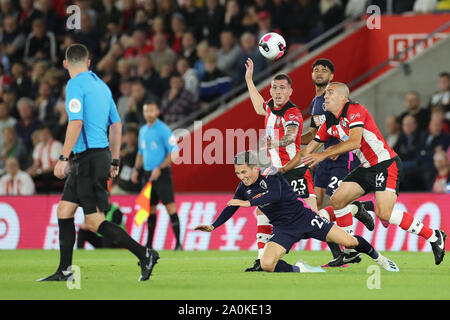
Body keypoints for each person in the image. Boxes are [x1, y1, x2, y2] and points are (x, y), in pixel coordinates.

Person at [281, 82, 447, 266]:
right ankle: (350, 251)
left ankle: (434, 235)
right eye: (326, 93)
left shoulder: (354, 109)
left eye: (330, 92)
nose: (326, 96)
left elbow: (354, 142)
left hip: (386, 164)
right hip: (367, 167)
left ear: (343, 98)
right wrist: (284, 169)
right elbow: (307, 151)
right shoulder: (329, 121)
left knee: (383, 213)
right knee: (337, 200)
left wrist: (324, 154)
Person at [38, 44, 159, 282]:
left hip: (89, 159)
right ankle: (64, 270)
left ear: (65, 64)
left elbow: (75, 123)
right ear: (89, 62)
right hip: (98, 155)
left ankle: (145, 253)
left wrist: (63, 157)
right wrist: (115, 158)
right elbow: (116, 125)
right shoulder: (102, 87)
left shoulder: (74, 85)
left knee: (94, 220)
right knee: (64, 210)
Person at [243, 59, 371, 271]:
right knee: (262, 212)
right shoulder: (270, 109)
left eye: (282, 88)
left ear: (290, 92)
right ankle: (260, 259)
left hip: (296, 172)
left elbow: (292, 134)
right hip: (277, 172)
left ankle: (353, 216)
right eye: (274, 87)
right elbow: (258, 106)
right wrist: (249, 79)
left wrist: (279, 141)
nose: (277, 91)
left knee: (314, 216)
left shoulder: (292, 113)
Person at [195, 151, 400, 273]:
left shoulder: (271, 175)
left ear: (255, 168)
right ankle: (301, 269)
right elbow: (232, 205)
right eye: (238, 173)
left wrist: (249, 203)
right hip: (284, 228)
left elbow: (274, 196)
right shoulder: (245, 188)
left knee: (350, 242)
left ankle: (380, 259)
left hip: (305, 218)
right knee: (267, 264)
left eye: (244, 171)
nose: (242, 177)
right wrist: (213, 226)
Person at [290, 58, 374, 265]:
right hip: (324, 159)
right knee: (317, 206)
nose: (319, 73)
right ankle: (339, 252)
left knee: (336, 200)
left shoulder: (335, 98)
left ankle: (356, 215)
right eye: (316, 70)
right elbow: (314, 134)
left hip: (341, 157)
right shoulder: (315, 102)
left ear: (332, 76)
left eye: (324, 70)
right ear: (311, 75)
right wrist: (291, 140)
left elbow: (348, 126)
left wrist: (335, 148)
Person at [131, 101, 182, 251]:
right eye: (146, 111)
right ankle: (149, 244)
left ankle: (178, 243)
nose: (149, 113)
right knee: (150, 208)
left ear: (157, 111)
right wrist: (136, 169)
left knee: (169, 206)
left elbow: (175, 151)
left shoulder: (164, 129)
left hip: (162, 174)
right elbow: (141, 152)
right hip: (147, 175)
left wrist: (160, 168)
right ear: (143, 112)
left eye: (152, 110)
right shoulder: (143, 131)